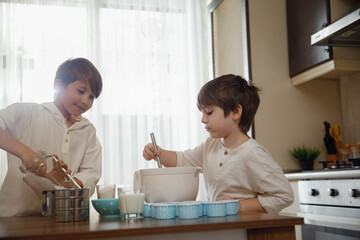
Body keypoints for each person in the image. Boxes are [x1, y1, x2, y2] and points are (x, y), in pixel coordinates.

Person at [143, 74, 294, 214]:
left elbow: (284, 196)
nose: (203, 119)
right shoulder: (211, 146)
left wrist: (238, 206)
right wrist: (159, 153)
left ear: (235, 112)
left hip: (244, 230)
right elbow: (184, 160)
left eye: (208, 112)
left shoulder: (253, 154)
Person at [0, 57, 103, 217]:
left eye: (92, 97)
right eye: (81, 91)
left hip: (58, 219)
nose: (85, 101)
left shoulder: (87, 130)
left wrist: (65, 181)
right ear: (58, 85)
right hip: (12, 219)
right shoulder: (28, 113)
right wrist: (27, 154)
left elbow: (91, 173)